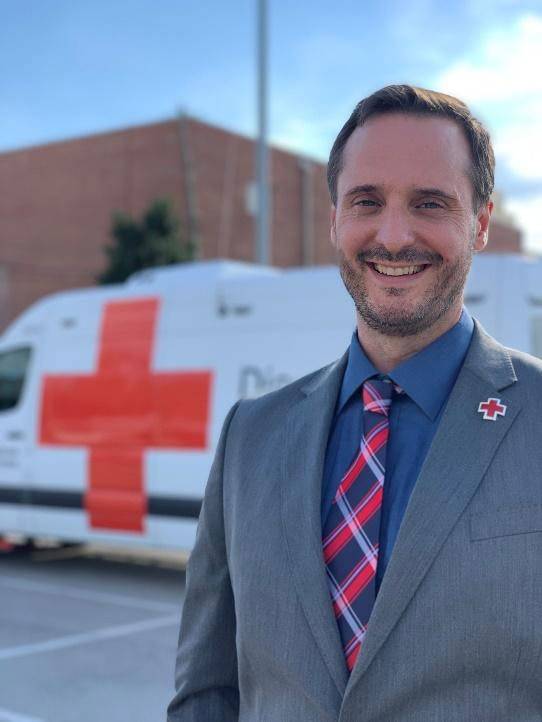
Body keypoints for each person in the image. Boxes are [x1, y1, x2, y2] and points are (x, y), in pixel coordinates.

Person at [166, 85, 542, 721]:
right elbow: (206, 693)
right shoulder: (249, 439)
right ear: (336, 219)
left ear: (479, 224)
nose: (393, 237)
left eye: (430, 203)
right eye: (367, 201)